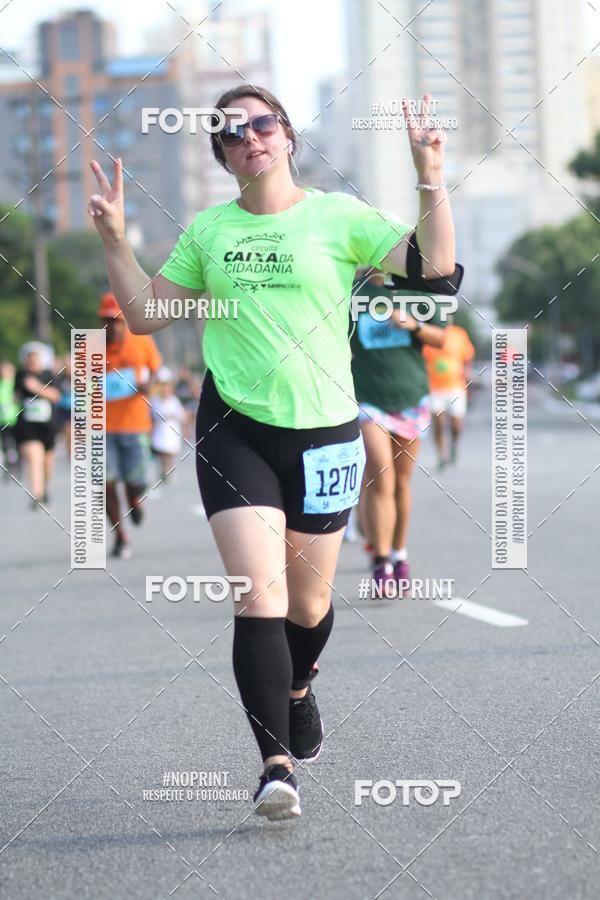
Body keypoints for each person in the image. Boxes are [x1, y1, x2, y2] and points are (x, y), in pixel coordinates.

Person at [88, 85, 456, 820]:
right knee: (259, 593)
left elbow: (433, 272)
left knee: (310, 601)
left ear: (286, 137)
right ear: (224, 156)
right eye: (231, 131)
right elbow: (145, 315)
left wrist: (431, 176)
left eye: (262, 123)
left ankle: (298, 687)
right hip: (236, 426)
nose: (249, 136)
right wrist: (114, 241)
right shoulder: (209, 230)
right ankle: (274, 765)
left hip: (324, 429)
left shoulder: (337, 216)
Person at [351, 270, 446, 595]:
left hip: (410, 397)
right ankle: (381, 562)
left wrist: (414, 324)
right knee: (381, 475)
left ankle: (398, 552)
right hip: (368, 399)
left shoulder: (415, 293)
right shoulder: (351, 294)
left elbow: (441, 337)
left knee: (402, 483)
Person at [100, 292, 162, 559]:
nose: (112, 326)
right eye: (107, 321)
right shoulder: (89, 347)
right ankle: (120, 535)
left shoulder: (142, 342)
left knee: (133, 480)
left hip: (135, 425)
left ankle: (135, 498)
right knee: (106, 483)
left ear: (125, 322)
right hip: (101, 428)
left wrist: (150, 385)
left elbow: (158, 370)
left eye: (117, 321)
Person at [422, 316, 475, 468]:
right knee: (438, 424)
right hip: (434, 388)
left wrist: (467, 375)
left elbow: (468, 356)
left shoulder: (459, 334)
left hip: (456, 387)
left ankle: (454, 445)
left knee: (456, 425)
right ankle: (440, 455)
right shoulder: (428, 333)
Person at [13, 342, 60, 508]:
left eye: (35, 359)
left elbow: (55, 396)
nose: (31, 362)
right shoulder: (20, 375)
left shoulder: (49, 375)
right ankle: (37, 494)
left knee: (47, 462)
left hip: (48, 426)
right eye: (29, 359)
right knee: (34, 457)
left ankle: (44, 488)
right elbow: (15, 396)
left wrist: (37, 388)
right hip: (27, 426)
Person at [150, 366, 186, 483]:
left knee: (169, 454)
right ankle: (163, 471)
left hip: (171, 432)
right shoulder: (155, 400)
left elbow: (182, 415)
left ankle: (168, 472)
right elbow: (152, 416)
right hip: (160, 432)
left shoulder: (174, 400)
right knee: (162, 454)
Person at [0, 360, 20, 479]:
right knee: (6, 445)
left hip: (15, 419)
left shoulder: (15, 383)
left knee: (17, 444)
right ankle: (8, 468)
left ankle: (18, 467)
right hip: (3, 419)